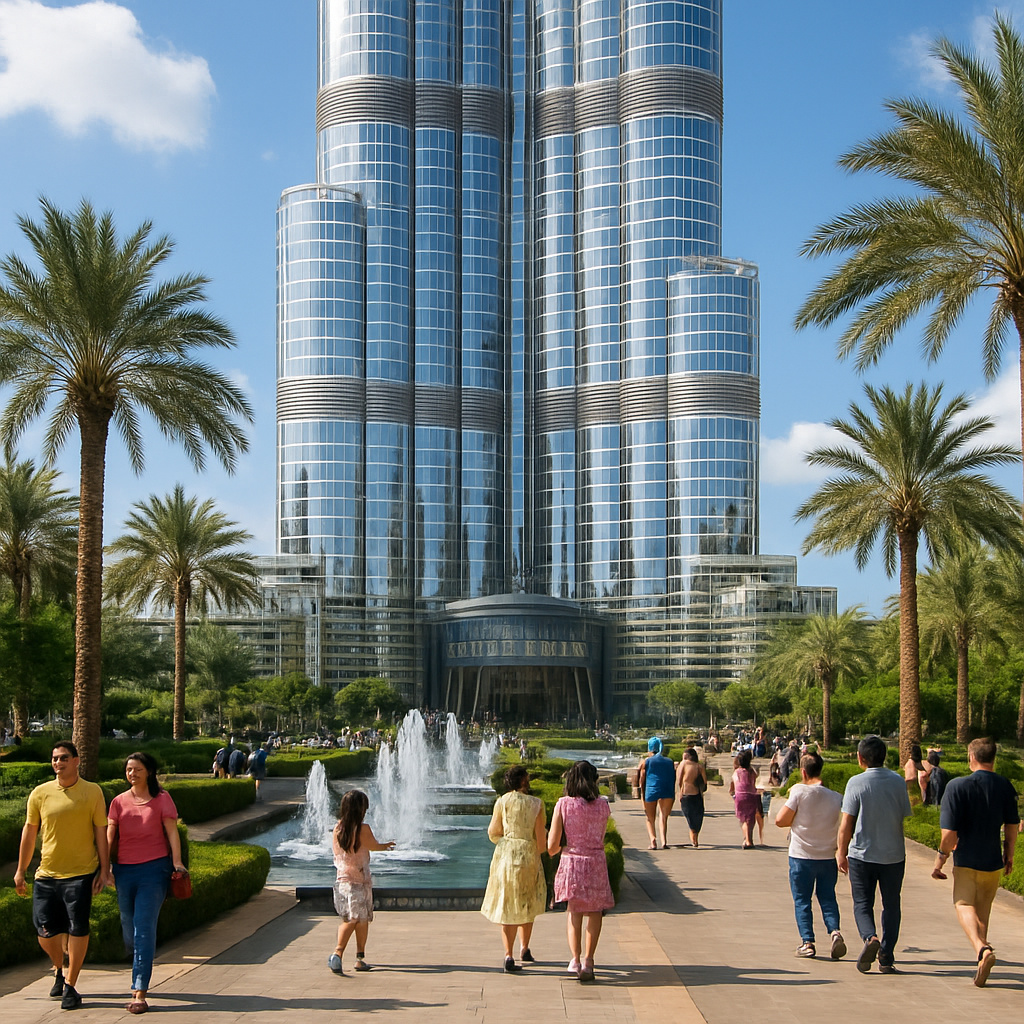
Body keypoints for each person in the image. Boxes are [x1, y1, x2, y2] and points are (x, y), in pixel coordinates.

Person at [14, 740, 110, 1011]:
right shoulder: (40, 793)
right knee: (45, 933)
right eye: (55, 759)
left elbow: (101, 833)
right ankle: (59, 966)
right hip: (46, 874)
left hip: (80, 874)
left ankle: (71, 984)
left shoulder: (92, 792)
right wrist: (20, 871)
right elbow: (30, 832)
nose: (58, 763)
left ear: (77, 761)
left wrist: (105, 869)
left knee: (77, 928)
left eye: (64, 758)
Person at [930, 737, 1019, 987]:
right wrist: (1009, 854)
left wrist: (940, 860)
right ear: (993, 759)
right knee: (983, 913)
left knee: (962, 903)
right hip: (992, 861)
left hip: (967, 859)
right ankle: (981, 960)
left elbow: (949, 835)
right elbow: (1012, 826)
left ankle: (982, 949)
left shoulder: (957, 787)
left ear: (971, 757)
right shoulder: (1005, 786)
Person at [107, 751, 187, 1014]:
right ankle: (143, 954)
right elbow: (110, 835)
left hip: (154, 871)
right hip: (123, 871)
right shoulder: (118, 802)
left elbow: (172, 833)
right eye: (129, 769)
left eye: (137, 769)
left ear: (149, 772)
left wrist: (177, 862)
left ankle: (139, 990)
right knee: (129, 929)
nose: (132, 774)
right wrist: (104, 866)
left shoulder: (162, 799)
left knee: (143, 928)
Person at [837, 735, 912, 975]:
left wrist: (841, 852)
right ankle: (887, 957)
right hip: (893, 855)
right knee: (892, 905)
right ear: (884, 757)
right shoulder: (898, 781)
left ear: (860, 758)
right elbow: (902, 815)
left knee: (862, 903)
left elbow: (846, 823)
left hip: (861, 854)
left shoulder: (856, 783)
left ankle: (870, 937)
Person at [774, 752, 846, 960]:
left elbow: (780, 820)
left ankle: (808, 942)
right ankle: (835, 932)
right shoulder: (835, 797)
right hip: (827, 856)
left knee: (802, 900)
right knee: (828, 898)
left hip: (801, 857)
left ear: (803, 772)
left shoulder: (798, 791)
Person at [547, 760, 614, 983]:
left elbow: (552, 844)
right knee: (595, 912)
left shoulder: (563, 805)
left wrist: (557, 850)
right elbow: (601, 834)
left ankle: (574, 959)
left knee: (574, 912)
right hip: (596, 861)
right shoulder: (604, 805)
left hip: (572, 861)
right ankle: (589, 960)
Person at [480, 764, 547, 972]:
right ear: (524, 781)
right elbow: (542, 840)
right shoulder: (537, 804)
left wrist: (506, 841)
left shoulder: (502, 802)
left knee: (507, 902)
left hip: (506, 854)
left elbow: (493, 832)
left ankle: (508, 954)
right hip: (528, 852)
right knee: (528, 901)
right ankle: (524, 948)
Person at [327, 790, 394, 974]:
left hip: (343, 881)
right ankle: (337, 954)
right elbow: (373, 845)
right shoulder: (363, 829)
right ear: (360, 810)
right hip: (359, 881)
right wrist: (386, 846)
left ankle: (360, 958)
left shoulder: (338, 829)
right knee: (356, 919)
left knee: (360, 919)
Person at [638, 737, 675, 850]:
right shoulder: (669, 762)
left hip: (651, 789)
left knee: (650, 818)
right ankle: (664, 841)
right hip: (667, 790)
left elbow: (642, 778)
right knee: (663, 817)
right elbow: (673, 777)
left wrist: (641, 794)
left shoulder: (647, 761)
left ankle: (653, 840)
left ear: (650, 748)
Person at [676, 748, 707, 848]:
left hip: (686, 793)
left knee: (689, 816)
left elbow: (679, 780)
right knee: (698, 817)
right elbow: (705, 782)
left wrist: (679, 792)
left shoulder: (683, 765)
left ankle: (694, 837)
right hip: (697, 794)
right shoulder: (699, 766)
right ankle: (695, 837)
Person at [730, 749, 761, 849]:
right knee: (750, 820)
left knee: (743, 820)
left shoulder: (736, 772)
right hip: (752, 796)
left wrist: (732, 792)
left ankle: (747, 840)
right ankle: (749, 840)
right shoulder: (752, 772)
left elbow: (733, 785)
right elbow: (754, 781)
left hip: (740, 797)